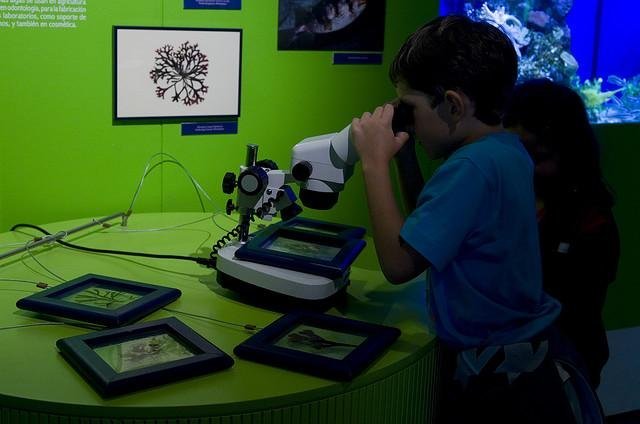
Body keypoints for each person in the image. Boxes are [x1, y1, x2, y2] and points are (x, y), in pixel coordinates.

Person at [350, 16, 577, 423]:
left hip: (493, 381)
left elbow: (400, 264)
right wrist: (404, 155)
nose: (408, 119)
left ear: (453, 105)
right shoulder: (505, 152)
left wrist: (374, 163)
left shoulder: (469, 168)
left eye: (411, 108)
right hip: (525, 363)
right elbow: (431, 232)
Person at [503, 78, 620, 389]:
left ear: (570, 150)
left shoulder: (590, 220)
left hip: (561, 366)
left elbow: (571, 307)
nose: (525, 166)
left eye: (539, 157)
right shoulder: (511, 195)